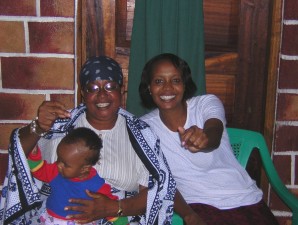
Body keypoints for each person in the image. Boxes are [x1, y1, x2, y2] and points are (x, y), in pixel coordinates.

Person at [0, 56, 203, 225]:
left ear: (121, 91)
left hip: (118, 217)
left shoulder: (140, 135)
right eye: (93, 88)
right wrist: (37, 127)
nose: (102, 94)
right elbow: (20, 156)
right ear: (83, 94)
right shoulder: (61, 125)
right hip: (55, 216)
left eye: (109, 86)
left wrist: (113, 207)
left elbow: (157, 191)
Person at [139, 53, 280, 225]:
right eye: (159, 81)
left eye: (175, 80)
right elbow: (159, 181)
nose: (167, 88)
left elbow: (214, 130)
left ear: (185, 84)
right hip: (198, 205)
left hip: (244, 197)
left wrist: (204, 139)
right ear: (148, 87)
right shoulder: (144, 128)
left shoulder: (206, 103)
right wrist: (188, 215)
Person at [27, 127, 126, 225]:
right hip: (50, 218)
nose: (59, 165)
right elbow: (39, 170)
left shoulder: (95, 184)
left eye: (65, 164)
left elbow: (109, 206)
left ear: (84, 169)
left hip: (80, 222)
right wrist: (34, 156)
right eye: (59, 159)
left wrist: (122, 222)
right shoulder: (56, 171)